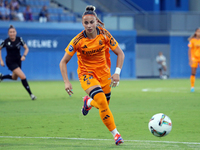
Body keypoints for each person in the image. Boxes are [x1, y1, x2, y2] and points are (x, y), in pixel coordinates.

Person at [59, 5, 125, 145]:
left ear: (96, 22)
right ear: (82, 24)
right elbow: (63, 62)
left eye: (91, 22)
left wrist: (117, 73)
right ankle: (116, 134)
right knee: (102, 102)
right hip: (86, 75)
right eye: (86, 23)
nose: (89, 25)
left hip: (104, 75)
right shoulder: (77, 40)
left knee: (103, 105)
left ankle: (88, 102)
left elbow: (120, 53)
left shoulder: (105, 34)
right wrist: (66, 82)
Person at [0, 25, 36, 100]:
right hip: (10, 62)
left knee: (14, 77)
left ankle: (2, 77)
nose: (12, 33)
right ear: (8, 33)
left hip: (18, 61)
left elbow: (26, 48)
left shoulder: (19, 39)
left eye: (13, 32)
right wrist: (1, 60)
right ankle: (31, 94)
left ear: (16, 32)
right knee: (23, 76)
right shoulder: (6, 41)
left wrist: (24, 56)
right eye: (10, 32)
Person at [188, 28, 200, 92]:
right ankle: (192, 87)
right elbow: (189, 50)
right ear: (195, 32)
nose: (199, 33)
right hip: (194, 58)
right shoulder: (192, 40)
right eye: (198, 31)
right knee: (193, 73)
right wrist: (190, 59)